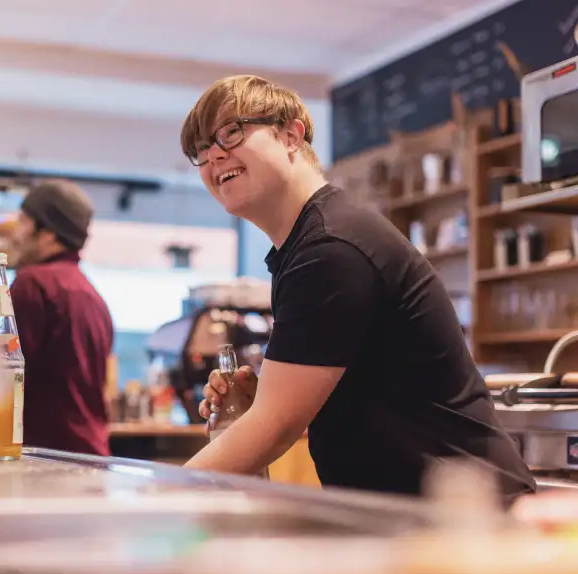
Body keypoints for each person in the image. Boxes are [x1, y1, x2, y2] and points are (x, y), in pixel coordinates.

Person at [179, 75, 536, 505]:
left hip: (466, 521)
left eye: (231, 133)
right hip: (418, 516)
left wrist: (153, 494)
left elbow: (273, 429)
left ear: (291, 134)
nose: (213, 155)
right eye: (200, 150)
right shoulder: (309, 245)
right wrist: (266, 398)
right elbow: (316, 405)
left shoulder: (330, 249)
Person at [6, 179, 114, 456]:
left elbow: (1, 375)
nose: (14, 233)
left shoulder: (32, 284)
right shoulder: (92, 295)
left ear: (48, 235)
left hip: (44, 457)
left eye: (23, 222)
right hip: (91, 456)